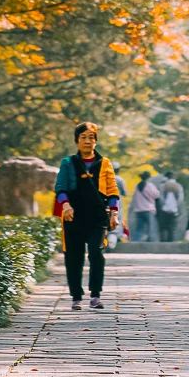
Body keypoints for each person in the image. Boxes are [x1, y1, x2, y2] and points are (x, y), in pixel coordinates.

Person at [54, 121, 120, 311]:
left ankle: (95, 295)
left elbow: (112, 191)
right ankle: (76, 296)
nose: (87, 141)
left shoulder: (105, 163)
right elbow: (60, 188)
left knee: (96, 253)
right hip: (73, 216)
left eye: (91, 137)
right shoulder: (68, 163)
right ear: (77, 140)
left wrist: (114, 213)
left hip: (98, 216)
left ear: (96, 141)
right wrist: (66, 205)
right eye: (83, 137)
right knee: (73, 257)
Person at [128, 171, 161, 241]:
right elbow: (157, 195)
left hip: (138, 210)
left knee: (139, 229)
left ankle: (135, 243)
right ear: (149, 177)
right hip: (148, 210)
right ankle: (151, 243)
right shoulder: (150, 185)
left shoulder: (137, 186)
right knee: (151, 228)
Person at [157, 170, 185, 242]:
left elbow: (161, 198)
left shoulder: (163, 186)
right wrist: (177, 207)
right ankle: (171, 242)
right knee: (172, 228)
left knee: (162, 227)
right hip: (174, 210)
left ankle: (162, 242)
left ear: (166, 177)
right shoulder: (179, 186)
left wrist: (162, 206)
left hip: (164, 209)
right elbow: (180, 199)